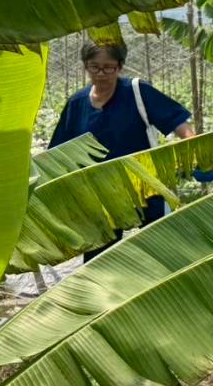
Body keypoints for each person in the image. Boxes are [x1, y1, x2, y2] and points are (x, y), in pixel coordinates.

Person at [50, 41, 196, 259]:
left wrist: (190, 144)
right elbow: (59, 151)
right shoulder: (77, 103)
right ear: (85, 66)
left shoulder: (136, 92)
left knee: (160, 251)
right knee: (99, 261)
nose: (101, 74)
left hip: (145, 185)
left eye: (108, 67)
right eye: (94, 67)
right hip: (100, 195)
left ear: (119, 67)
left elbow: (179, 124)